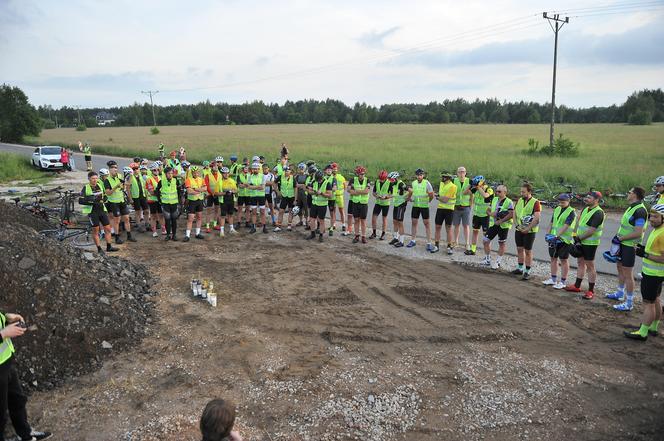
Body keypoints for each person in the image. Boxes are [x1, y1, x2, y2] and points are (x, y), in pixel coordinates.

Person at [1, 311, 52, 441]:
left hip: (6, 362)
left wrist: (6, 318)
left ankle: (25, 434)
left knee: (17, 400)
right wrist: (4, 334)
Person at [624, 204, 664, 341]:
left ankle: (643, 332)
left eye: (655, 216)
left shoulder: (662, 233)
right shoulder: (658, 229)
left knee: (648, 303)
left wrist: (644, 254)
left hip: (653, 274)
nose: (651, 219)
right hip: (655, 274)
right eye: (651, 216)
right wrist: (644, 249)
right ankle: (653, 327)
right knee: (655, 300)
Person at [606, 187, 648, 311]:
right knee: (620, 268)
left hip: (629, 246)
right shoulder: (632, 207)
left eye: (629, 192)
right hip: (623, 243)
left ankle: (629, 303)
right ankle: (619, 293)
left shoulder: (640, 210)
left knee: (628, 274)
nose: (627, 194)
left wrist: (621, 239)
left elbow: (638, 233)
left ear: (635, 195)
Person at [565, 191, 605, 300]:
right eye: (586, 196)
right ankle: (577, 286)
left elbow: (591, 230)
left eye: (589, 197)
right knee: (580, 263)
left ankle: (591, 291)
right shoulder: (586, 209)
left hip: (590, 243)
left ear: (596, 200)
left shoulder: (598, 213)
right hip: (581, 241)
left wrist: (578, 238)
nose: (586, 199)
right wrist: (574, 235)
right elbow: (578, 222)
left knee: (590, 266)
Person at [542, 194, 576, 289]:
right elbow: (552, 222)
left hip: (564, 240)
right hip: (553, 238)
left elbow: (566, 226)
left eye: (563, 202)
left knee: (564, 260)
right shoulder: (557, 209)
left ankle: (563, 282)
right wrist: (547, 234)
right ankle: (553, 279)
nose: (560, 204)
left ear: (568, 201)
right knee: (553, 258)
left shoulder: (571, 212)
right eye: (559, 202)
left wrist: (557, 236)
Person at [80, 171, 118, 253]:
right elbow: (81, 200)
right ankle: (99, 249)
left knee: (108, 229)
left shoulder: (100, 185)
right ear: (89, 179)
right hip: (93, 212)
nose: (95, 180)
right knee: (96, 230)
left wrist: (104, 199)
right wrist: (91, 200)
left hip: (102, 210)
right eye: (93, 178)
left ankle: (109, 246)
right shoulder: (86, 188)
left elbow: (104, 196)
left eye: (96, 178)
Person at [101, 161, 136, 244]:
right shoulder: (107, 180)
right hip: (113, 202)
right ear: (110, 170)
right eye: (113, 168)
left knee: (127, 218)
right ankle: (117, 237)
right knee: (117, 220)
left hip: (121, 201)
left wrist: (130, 176)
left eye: (116, 168)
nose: (115, 169)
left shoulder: (120, 176)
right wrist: (116, 186)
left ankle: (129, 235)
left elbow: (127, 184)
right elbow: (108, 193)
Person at [512, 182, 541, 280]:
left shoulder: (536, 202)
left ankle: (527, 271)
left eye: (523, 192)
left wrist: (528, 229)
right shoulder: (519, 200)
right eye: (521, 191)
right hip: (519, 228)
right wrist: (516, 225)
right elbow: (514, 213)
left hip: (530, 231)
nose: (521, 193)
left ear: (529, 192)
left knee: (528, 251)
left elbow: (536, 218)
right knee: (519, 249)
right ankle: (520, 268)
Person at [482, 185, 513, 269]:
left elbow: (511, 214)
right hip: (494, 224)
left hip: (503, 226)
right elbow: (488, 210)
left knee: (501, 243)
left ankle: (498, 262)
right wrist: (491, 214)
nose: (497, 193)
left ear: (505, 192)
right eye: (497, 191)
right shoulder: (494, 199)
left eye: (499, 191)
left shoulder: (509, 202)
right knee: (485, 240)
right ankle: (487, 259)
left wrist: (501, 221)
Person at [407, 168, 434, 249]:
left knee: (427, 224)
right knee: (414, 223)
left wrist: (428, 201)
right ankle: (413, 240)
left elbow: (431, 195)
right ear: (416, 175)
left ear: (423, 175)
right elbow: (413, 193)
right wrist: (410, 199)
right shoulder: (414, 183)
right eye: (418, 175)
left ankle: (429, 243)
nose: (419, 176)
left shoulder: (427, 183)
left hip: (424, 206)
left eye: (420, 175)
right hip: (415, 206)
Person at [468, 175, 493, 255]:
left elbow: (485, 195)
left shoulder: (488, 189)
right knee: (475, 232)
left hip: (485, 216)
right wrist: (471, 184)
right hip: (476, 215)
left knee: (486, 235)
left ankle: (487, 253)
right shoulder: (476, 189)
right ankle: (473, 249)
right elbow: (465, 192)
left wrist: (479, 188)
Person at [433, 171, 457, 254]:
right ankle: (436, 245)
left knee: (448, 228)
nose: (442, 178)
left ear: (448, 178)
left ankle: (449, 246)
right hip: (440, 208)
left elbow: (445, 200)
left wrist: (437, 197)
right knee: (437, 227)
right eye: (442, 176)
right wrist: (439, 196)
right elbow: (441, 196)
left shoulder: (453, 186)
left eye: (444, 177)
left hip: (449, 209)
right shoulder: (441, 184)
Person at [156, 166, 183, 241]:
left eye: (171, 173)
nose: (170, 175)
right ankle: (168, 235)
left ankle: (174, 235)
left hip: (174, 203)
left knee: (174, 219)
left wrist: (180, 202)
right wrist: (159, 200)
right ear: (165, 174)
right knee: (167, 219)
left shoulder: (176, 181)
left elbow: (179, 192)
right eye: (168, 173)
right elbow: (157, 190)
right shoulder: (161, 181)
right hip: (165, 203)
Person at [308, 170, 333, 242]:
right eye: (317, 180)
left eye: (319, 180)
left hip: (322, 205)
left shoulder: (327, 183)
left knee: (321, 220)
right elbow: (309, 191)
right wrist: (314, 192)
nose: (318, 181)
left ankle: (321, 235)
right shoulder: (314, 182)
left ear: (322, 178)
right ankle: (312, 233)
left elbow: (330, 195)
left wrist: (321, 193)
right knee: (312, 219)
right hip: (314, 203)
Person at [452, 166, 473, 253]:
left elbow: (472, 195)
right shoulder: (454, 181)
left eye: (463, 172)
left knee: (466, 226)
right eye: (459, 172)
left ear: (465, 173)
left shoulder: (469, 181)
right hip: (456, 206)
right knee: (456, 225)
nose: (461, 174)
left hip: (466, 206)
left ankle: (467, 243)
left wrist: (470, 206)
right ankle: (456, 241)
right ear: (457, 173)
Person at [184, 166, 206, 242]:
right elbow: (189, 191)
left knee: (199, 217)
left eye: (197, 172)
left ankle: (197, 233)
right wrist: (200, 190)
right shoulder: (188, 180)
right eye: (194, 172)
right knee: (190, 218)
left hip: (199, 200)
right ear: (192, 172)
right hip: (192, 201)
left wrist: (195, 189)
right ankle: (187, 235)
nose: (195, 173)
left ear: (198, 172)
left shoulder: (201, 179)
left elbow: (205, 189)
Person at [349, 166, 370, 244]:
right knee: (356, 220)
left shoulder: (367, 180)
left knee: (363, 221)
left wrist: (356, 191)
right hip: (355, 203)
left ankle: (363, 236)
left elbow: (366, 191)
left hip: (364, 203)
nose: (362, 175)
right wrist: (361, 191)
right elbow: (350, 191)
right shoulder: (353, 180)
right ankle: (357, 235)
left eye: (363, 174)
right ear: (357, 174)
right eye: (361, 174)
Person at [126, 162, 149, 233]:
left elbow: (144, 186)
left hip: (143, 196)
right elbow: (128, 189)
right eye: (134, 169)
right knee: (137, 212)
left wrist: (147, 195)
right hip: (136, 197)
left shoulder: (140, 176)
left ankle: (147, 224)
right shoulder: (130, 177)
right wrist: (130, 198)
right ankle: (139, 225)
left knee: (146, 211)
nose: (136, 170)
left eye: (137, 168)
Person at [388, 171, 409, 248]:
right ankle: (395, 238)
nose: (390, 181)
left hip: (401, 205)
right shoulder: (394, 184)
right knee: (395, 221)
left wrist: (407, 198)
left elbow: (410, 191)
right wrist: (387, 196)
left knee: (400, 222)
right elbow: (394, 194)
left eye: (392, 179)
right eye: (390, 180)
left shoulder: (401, 184)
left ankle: (402, 241)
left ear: (395, 178)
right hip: (396, 204)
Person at [370, 170, 392, 240]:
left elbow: (392, 194)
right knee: (373, 218)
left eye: (382, 179)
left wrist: (385, 197)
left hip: (385, 203)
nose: (381, 180)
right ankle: (374, 233)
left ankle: (383, 234)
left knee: (384, 219)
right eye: (380, 179)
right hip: (378, 202)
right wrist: (377, 196)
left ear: (385, 178)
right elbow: (373, 193)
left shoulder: (389, 183)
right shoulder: (377, 182)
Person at [274, 166, 296, 231]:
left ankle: (289, 225)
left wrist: (295, 199)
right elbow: (274, 183)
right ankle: (279, 226)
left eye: (288, 171)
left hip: (291, 197)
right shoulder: (281, 177)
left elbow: (295, 188)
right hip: (284, 196)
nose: (286, 172)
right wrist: (277, 191)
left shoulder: (293, 178)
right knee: (281, 211)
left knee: (290, 211)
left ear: (290, 171)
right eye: (285, 171)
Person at [145, 163, 165, 238]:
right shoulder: (149, 179)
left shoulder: (160, 178)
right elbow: (151, 192)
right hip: (152, 200)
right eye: (154, 170)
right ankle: (154, 231)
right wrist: (161, 193)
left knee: (161, 215)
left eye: (157, 170)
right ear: (151, 171)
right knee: (153, 216)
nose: (156, 171)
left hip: (159, 199)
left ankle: (163, 229)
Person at [204, 161, 223, 233]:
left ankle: (215, 224)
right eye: (214, 166)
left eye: (217, 166)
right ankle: (207, 226)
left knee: (217, 210)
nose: (216, 167)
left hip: (217, 195)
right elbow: (207, 186)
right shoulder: (207, 175)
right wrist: (211, 193)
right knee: (208, 211)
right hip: (210, 195)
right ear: (211, 167)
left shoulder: (220, 175)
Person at [218, 167, 238, 236]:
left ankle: (231, 229)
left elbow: (236, 190)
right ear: (222, 174)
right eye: (224, 173)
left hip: (231, 200)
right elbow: (216, 193)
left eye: (227, 173)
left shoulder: (232, 181)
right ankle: (222, 231)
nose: (226, 174)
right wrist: (225, 193)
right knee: (223, 216)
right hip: (223, 200)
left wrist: (232, 191)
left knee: (231, 214)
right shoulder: (219, 182)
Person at [247, 162, 265, 234]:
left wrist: (253, 187)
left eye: (256, 169)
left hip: (261, 196)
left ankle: (264, 227)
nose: (255, 170)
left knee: (262, 212)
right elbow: (249, 187)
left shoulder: (262, 176)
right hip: (253, 196)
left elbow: (262, 187)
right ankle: (253, 227)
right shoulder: (250, 177)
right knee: (254, 212)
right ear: (252, 169)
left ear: (259, 169)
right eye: (254, 169)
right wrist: (258, 186)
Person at [331, 163, 347, 233]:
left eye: (335, 169)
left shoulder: (341, 177)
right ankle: (333, 224)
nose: (334, 170)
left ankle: (343, 225)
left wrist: (341, 191)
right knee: (333, 211)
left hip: (339, 196)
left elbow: (345, 186)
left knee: (341, 210)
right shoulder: (330, 177)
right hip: (332, 196)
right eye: (333, 169)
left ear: (337, 169)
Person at [323, 164, 338, 235]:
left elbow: (335, 188)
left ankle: (331, 228)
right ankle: (320, 227)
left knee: (332, 213)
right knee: (321, 213)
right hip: (323, 198)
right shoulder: (323, 178)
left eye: (330, 170)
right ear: (325, 171)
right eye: (328, 170)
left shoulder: (333, 179)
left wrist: (327, 190)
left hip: (331, 198)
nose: (329, 171)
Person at [236, 164, 251, 228]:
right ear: (242, 169)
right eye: (245, 168)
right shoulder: (239, 176)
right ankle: (238, 223)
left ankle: (247, 222)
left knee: (248, 209)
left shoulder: (250, 175)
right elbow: (239, 186)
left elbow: (251, 185)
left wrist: (243, 184)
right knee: (240, 209)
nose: (246, 169)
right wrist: (246, 184)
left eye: (247, 168)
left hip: (248, 195)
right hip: (241, 195)